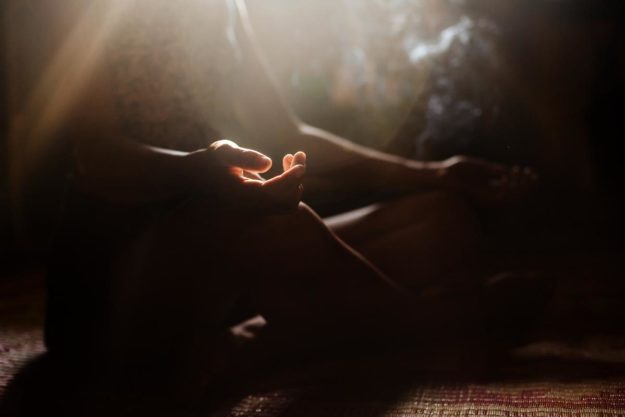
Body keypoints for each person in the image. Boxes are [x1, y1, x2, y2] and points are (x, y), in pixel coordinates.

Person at [38, 0, 540, 399]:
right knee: (280, 226)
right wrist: (198, 170)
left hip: (221, 258)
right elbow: (97, 152)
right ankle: (440, 326)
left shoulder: (224, 8)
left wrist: (435, 174)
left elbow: (288, 132)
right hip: (113, 286)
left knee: (439, 220)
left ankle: (254, 344)